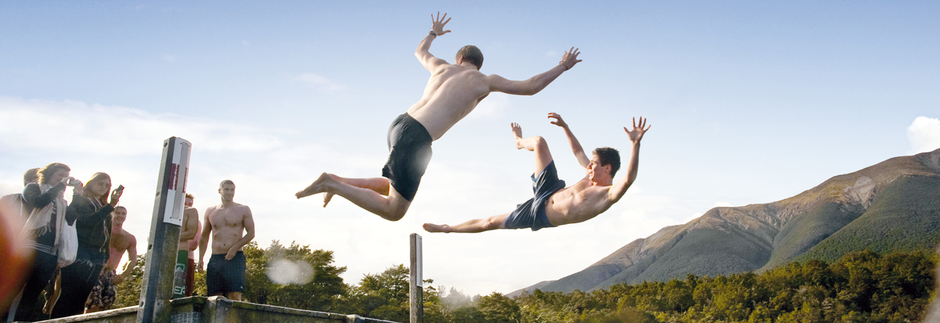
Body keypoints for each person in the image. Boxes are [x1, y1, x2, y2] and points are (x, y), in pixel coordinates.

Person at [296, 12, 583, 221]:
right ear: (478, 64)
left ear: (459, 58)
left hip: (400, 124)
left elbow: (420, 50)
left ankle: (336, 179)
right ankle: (333, 184)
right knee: (395, 210)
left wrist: (433, 32)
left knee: (389, 186)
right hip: (419, 136)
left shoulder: (442, 67)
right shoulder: (484, 80)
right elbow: (531, 87)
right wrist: (562, 67)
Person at [423, 113, 649, 233]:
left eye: (594, 164)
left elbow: (628, 179)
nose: (589, 167)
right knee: (539, 141)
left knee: (489, 222)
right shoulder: (588, 174)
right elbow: (578, 150)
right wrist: (565, 127)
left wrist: (635, 145)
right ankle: (519, 142)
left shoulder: (607, 194)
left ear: (607, 168)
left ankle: (447, 228)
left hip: (538, 214)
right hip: (549, 188)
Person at [6, 163, 79, 322]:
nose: (64, 181)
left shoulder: (61, 201)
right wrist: (59, 185)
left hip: (49, 254)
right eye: (60, 176)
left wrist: (77, 195)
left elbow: (71, 218)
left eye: (66, 177)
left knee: (31, 295)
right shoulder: (33, 188)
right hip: (28, 249)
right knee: (12, 290)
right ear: (48, 175)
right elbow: (39, 202)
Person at [51, 172, 123, 318]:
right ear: (91, 183)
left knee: (83, 295)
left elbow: (107, 233)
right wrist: (111, 206)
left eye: (107, 185)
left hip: (98, 254)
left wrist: (106, 256)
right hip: (81, 249)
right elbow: (87, 221)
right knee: (69, 293)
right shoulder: (83, 200)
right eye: (100, 183)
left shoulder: (103, 205)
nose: (104, 187)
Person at [198, 180, 255, 301]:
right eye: (226, 189)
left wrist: (235, 247)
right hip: (216, 258)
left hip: (235, 257)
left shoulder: (243, 209)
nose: (229, 192)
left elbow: (251, 233)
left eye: (232, 190)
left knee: (234, 295)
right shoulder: (211, 211)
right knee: (215, 298)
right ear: (220, 191)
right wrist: (200, 259)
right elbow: (204, 236)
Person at [84, 206, 136, 313]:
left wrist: (123, 275)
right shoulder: (102, 231)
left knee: (107, 304)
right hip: (97, 269)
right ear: (112, 214)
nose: (120, 216)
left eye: (123, 213)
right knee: (93, 303)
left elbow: (133, 259)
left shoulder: (129, 237)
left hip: (111, 273)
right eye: (117, 213)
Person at [174, 193, 199, 298]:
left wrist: (169, 236)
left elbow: (192, 238)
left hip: (184, 254)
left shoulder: (192, 215)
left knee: (181, 291)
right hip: (166, 254)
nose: (187, 205)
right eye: (185, 203)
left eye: (190, 203)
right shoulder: (169, 213)